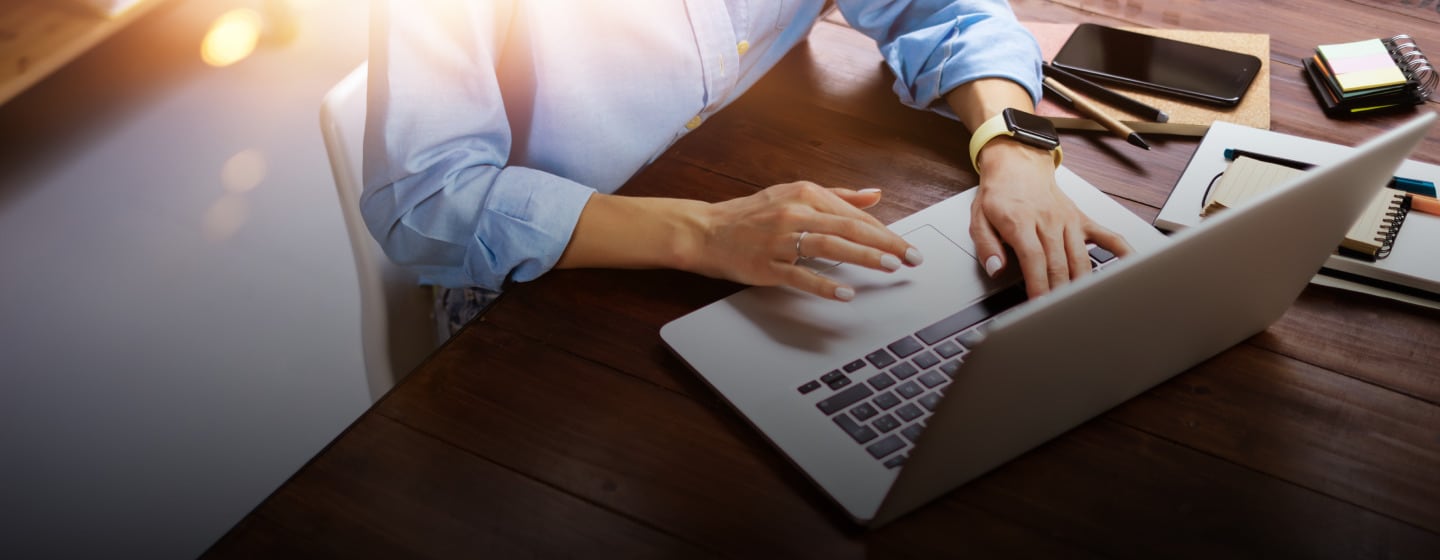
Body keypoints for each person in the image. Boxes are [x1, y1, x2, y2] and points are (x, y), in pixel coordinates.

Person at [365, 0, 1131, 336]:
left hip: (754, 190)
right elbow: (427, 200)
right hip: (542, 289)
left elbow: (942, 9)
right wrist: (704, 232)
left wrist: (1016, 152)